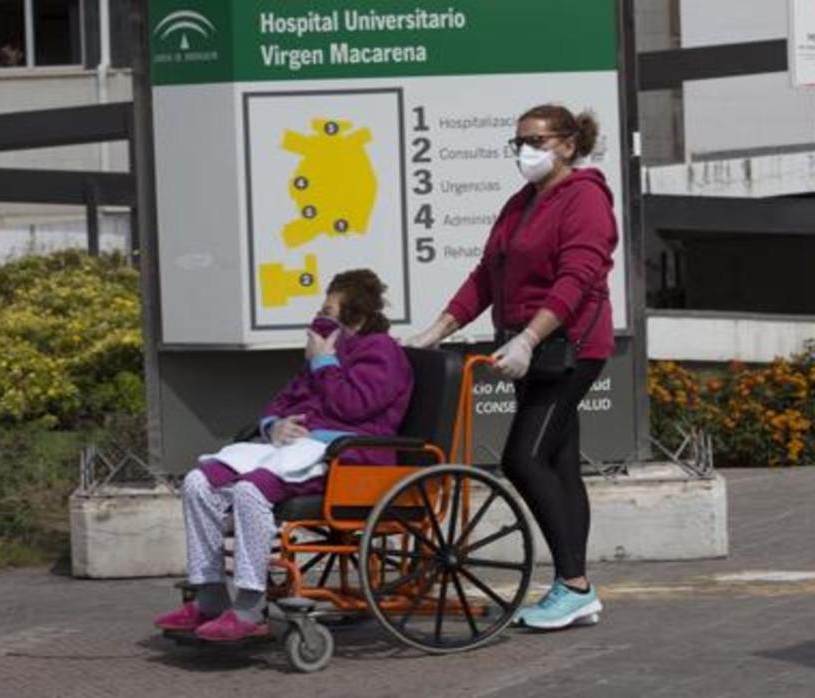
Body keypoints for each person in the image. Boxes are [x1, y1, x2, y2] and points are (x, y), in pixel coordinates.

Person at [406, 104, 618, 630]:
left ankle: (574, 585)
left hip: (568, 348)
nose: (524, 150)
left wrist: (529, 336)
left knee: (523, 459)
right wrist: (437, 330)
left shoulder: (586, 199)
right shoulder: (520, 204)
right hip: (534, 352)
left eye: (536, 140)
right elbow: (486, 276)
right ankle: (575, 588)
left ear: (568, 144)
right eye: (517, 141)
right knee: (561, 465)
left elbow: (577, 277)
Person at [155, 269, 414, 642]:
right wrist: (273, 426)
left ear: (354, 317)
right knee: (199, 482)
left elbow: (355, 407)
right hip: (298, 449)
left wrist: (324, 362)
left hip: (349, 456)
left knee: (250, 491)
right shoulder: (327, 351)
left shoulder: (382, 353)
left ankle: (249, 606)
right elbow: (282, 400)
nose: (320, 316)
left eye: (329, 308)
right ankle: (209, 598)